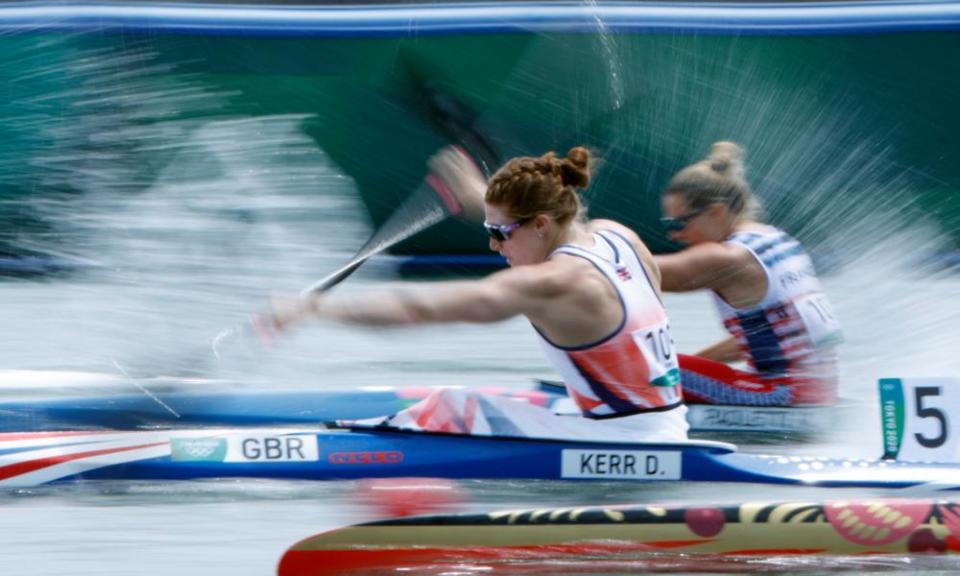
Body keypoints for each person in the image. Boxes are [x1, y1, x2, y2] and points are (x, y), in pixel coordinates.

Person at [272, 146, 688, 442]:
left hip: (622, 442)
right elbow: (532, 222)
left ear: (541, 224)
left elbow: (421, 308)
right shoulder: (619, 236)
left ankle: (341, 444)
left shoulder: (558, 282)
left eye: (498, 234)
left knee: (454, 406)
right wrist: (485, 201)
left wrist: (314, 308)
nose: (493, 246)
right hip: (669, 425)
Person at [655, 141, 842, 406]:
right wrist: (696, 368)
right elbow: (772, 339)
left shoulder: (731, 258)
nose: (673, 234)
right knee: (674, 368)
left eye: (679, 223)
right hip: (818, 391)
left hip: (784, 393)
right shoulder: (779, 240)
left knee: (647, 369)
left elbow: (635, 271)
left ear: (717, 212)